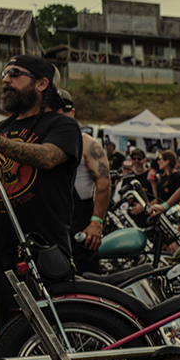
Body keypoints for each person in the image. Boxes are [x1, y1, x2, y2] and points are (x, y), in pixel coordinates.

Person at [0, 55, 82, 324]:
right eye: (4, 74)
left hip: (41, 250)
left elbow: (47, 157)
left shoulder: (62, 125)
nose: (5, 79)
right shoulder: (3, 128)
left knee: (42, 331)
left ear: (42, 83)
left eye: (15, 73)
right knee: (2, 336)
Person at [54, 88, 109, 256]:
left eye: (65, 109)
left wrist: (96, 223)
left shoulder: (88, 143)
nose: (61, 113)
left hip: (80, 220)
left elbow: (104, 183)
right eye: (56, 109)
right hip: (54, 217)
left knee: (84, 275)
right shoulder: (44, 143)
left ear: (73, 111)